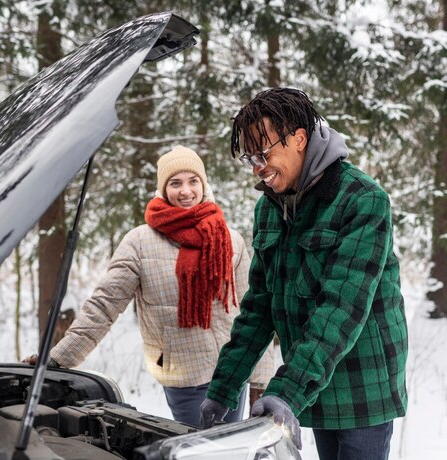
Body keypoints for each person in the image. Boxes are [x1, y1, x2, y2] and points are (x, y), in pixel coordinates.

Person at [199, 88, 408, 459]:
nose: (257, 167)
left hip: (364, 382)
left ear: (299, 138)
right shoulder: (269, 208)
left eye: (264, 153)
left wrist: (287, 390)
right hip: (315, 378)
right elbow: (259, 307)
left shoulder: (361, 200)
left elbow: (341, 309)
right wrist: (224, 385)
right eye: (249, 157)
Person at [24, 145, 273, 428]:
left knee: (230, 449)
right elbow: (104, 306)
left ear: (203, 185)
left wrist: (260, 380)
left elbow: (253, 310)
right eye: (175, 183)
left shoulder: (228, 238)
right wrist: (59, 357)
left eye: (193, 181)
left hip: (232, 373)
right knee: (198, 447)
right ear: (163, 189)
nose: (186, 191)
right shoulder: (139, 242)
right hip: (186, 378)